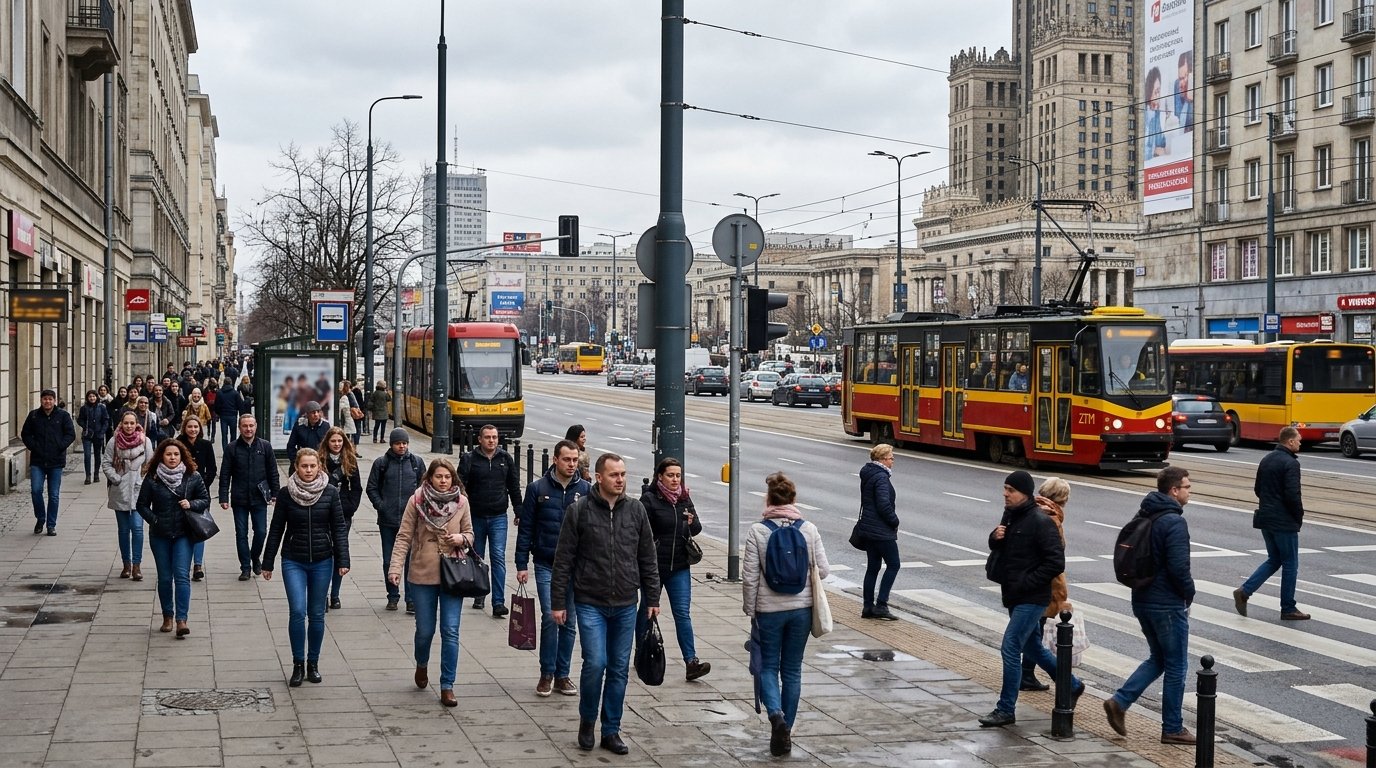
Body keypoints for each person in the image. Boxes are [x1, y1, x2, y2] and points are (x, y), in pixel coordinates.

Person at [550, 453, 659, 756]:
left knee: (619, 668)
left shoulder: (636, 510)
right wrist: (558, 602)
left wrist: (652, 597)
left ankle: (611, 729)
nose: (620, 480)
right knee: (596, 663)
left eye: (623, 474)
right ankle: (587, 720)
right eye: (614, 475)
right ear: (598, 478)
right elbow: (563, 561)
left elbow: (648, 557)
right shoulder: (580, 510)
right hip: (590, 602)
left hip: (626, 602)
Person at [980, 470, 1084, 729]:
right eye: (1004, 488)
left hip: (1032, 597)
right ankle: (1072, 684)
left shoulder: (1041, 522)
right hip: (1014, 594)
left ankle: (1005, 709)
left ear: (1024, 493)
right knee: (1034, 648)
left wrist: (1027, 582)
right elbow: (1004, 550)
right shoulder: (1011, 517)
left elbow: (1055, 562)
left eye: (1010, 490)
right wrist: (994, 538)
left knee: (1010, 646)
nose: (1005, 493)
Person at [1104, 467, 1197, 745]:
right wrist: (1189, 593)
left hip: (1142, 598)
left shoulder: (1144, 513)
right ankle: (1172, 727)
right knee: (1177, 665)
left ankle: (1120, 702)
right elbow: (1179, 567)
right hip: (1166, 603)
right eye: (1187, 487)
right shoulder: (1174, 522)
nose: (1190, 491)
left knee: (1158, 658)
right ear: (1174, 491)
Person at [742, 472, 831, 757]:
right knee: (792, 670)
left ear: (768, 499)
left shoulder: (758, 531)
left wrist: (750, 608)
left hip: (769, 612)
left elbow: (750, 578)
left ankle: (776, 716)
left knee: (768, 666)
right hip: (801, 610)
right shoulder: (809, 529)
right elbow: (824, 570)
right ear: (793, 499)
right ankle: (786, 732)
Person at [388, 458, 473, 708]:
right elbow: (404, 536)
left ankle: (447, 685)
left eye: (448, 477)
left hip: (452, 575)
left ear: (453, 479)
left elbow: (470, 533)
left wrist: (462, 538)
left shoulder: (462, 502)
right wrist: (395, 567)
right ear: (430, 478)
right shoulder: (417, 500)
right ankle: (422, 663)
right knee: (425, 631)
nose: (444, 481)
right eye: (439, 477)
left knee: (450, 631)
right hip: (422, 573)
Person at [262, 448, 350, 687]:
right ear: (296, 467)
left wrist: (343, 560)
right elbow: (277, 529)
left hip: (322, 560)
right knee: (298, 611)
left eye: (313, 466)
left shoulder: (330, 493)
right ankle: (297, 664)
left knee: (317, 613)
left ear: (319, 467)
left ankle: (313, 663)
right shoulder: (285, 494)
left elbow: (339, 528)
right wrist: (267, 562)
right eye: (304, 466)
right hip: (294, 560)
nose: (309, 470)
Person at [515, 439, 591, 697]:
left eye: (575, 460)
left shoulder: (587, 490)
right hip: (546, 562)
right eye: (567, 459)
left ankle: (562, 674)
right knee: (551, 616)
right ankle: (546, 673)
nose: (572, 464)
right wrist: (521, 563)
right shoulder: (537, 489)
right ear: (555, 460)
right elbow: (526, 527)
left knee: (569, 622)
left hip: (576, 566)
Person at [638, 457, 711, 681]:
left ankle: (691, 661)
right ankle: (641, 654)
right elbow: (641, 532)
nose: (675, 479)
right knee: (647, 611)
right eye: (670, 475)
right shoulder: (649, 500)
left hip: (679, 566)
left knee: (682, 613)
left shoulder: (684, 499)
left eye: (678, 475)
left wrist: (690, 522)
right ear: (660, 476)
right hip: (654, 567)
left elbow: (697, 528)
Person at [1233, 427, 1309, 621]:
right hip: (1283, 521)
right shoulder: (1291, 463)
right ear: (1290, 442)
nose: (1300, 443)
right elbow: (1293, 495)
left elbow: (1258, 489)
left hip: (1266, 518)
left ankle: (1245, 591)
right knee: (1290, 564)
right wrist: (1298, 516)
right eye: (1298, 440)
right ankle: (1288, 608)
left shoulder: (1266, 459)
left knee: (1274, 559)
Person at [137, 439, 210, 638]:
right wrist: (155, 520)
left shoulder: (192, 476)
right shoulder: (152, 478)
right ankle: (167, 616)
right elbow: (141, 505)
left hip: (184, 534)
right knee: (165, 577)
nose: (172, 458)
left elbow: (205, 500)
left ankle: (181, 620)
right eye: (168, 454)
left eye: (176, 454)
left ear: (182, 456)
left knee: (181, 576)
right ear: (161, 456)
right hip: (160, 534)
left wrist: (191, 504)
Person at [459, 424, 522, 617]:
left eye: (494, 437)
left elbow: (513, 485)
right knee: (477, 557)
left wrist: (519, 510)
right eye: (487, 437)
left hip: (498, 517)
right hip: (476, 516)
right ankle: (479, 593)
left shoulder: (505, 458)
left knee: (498, 557)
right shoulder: (469, 459)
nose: (491, 441)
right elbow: (459, 484)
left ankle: (498, 602)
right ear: (480, 439)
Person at [1020, 477, 1072, 691]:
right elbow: (1054, 557)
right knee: (1034, 633)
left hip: (1028, 580)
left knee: (1033, 632)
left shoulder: (1030, 510)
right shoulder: (1052, 517)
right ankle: (1066, 682)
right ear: (1060, 499)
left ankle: (1027, 675)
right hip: (1044, 584)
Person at [367, 428, 427, 612]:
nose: (402, 446)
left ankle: (410, 598)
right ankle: (392, 596)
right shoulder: (381, 463)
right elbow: (372, 488)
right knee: (388, 560)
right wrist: (381, 506)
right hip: (388, 521)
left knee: (410, 560)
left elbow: (424, 488)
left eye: (405, 443)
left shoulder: (416, 463)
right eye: (398, 443)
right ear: (392, 444)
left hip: (410, 522)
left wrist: (419, 510)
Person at [219, 413, 281, 581]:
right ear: (239, 428)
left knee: (261, 532)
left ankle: (255, 557)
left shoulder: (265, 446)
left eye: (251, 425)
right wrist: (223, 497)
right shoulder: (232, 448)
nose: (248, 429)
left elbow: (273, 472)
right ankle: (245, 567)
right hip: (239, 498)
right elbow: (225, 474)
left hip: (259, 497)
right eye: (245, 426)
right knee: (241, 533)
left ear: (256, 426)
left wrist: (275, 493)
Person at [103, 412, 154, 581]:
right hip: (120, 490)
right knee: (124, 530)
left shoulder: (144, 440)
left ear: (137, 424)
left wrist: (143, 480)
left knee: (137, 529)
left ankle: (137, 566)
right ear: (121, 424)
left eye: (132, 423)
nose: (129, 426)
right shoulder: (114, 441)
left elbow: (151, 463)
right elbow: (106, 463)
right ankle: (126, 564)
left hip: (139, 491)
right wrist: (116, 478)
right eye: (126, 423)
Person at [22, 389, 77, 536]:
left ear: (55, 400)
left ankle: (51, 525)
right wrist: (34, 446)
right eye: (45, 399)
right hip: (38, 460)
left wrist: (60, 445)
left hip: (56, 461)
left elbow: (70, 434)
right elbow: (25, 434)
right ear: (41, 400)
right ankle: (41, 518)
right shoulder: (34, 415)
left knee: (53, 495)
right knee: (36, 490)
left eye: (50, 399)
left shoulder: (63, 416)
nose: (47, 401)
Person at [857, 443, 900, 620]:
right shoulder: (881, 477)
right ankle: (881, 604)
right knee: (894, 564)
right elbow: (883, 504)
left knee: (873, 567)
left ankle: (868, 607)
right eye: (891, 458)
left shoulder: (869, 473)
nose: (893, 461)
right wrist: (894, 520)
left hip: (868, 528)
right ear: (882, 459)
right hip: (880, 529)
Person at [321, 427, 363, 610]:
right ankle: (322, 594)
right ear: (327, 443)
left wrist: (350, 507)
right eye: (333, 441)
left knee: (339, 553)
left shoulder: (350, 460)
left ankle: (335, 594)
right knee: (323, 555)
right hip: (322, 514)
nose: (337, 444)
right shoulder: (319, 460)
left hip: (343, 515)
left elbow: (357, 488)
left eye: (340, 441)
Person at [177, 417, 217, 583]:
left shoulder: (205, 444)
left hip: (201, 493)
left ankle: (198, 565)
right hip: (180, 492)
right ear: (184, 428)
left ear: (199, 429)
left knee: (200, 528)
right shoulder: (178, 443)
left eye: (195, 427)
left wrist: (201, 484)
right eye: (190, 426)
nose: (193, 430)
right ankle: (182, 564)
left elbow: (212, 468)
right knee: (183, 530)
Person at [77, 389, 112, 485]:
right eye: (90, 397)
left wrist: (102, 432)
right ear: (87, 398)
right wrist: (85, 426)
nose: (92, 398)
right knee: (87, 455)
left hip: (98, 434)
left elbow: (106, 420)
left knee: (97, 455)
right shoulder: (84, 408)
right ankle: (88, 475)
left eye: (93, 396)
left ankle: (96, 474)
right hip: (87, 435)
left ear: (96, 397)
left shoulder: (101, 407)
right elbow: (80, 419)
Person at [214, 379, 243, 451]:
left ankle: (225, 450)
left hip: (223, 415)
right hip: (233, 415)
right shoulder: (235, 393)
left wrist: (219, 413)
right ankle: (232, 450)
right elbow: (240, 405)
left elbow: (216, 405)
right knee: (233, 434)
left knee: (224, 435)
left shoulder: (219, 393)